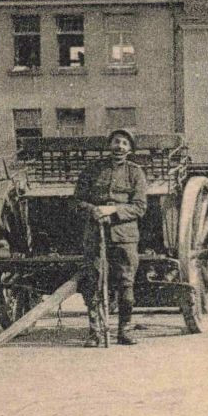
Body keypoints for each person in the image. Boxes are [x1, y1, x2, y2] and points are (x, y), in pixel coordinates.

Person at [73, 128, 149, 347]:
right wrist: (93, 210)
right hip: (95, 235)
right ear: (110, 144)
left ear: (130, 149)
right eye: (117, 142)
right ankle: (95, 332)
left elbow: (140, 207)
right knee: (94, 283)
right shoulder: (92, 169)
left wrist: (113, 210)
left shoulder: (136, 173)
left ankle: (124, 331)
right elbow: (76, 201)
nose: (120, 147)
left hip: (124, 237)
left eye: (125, 143)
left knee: (126, 284)